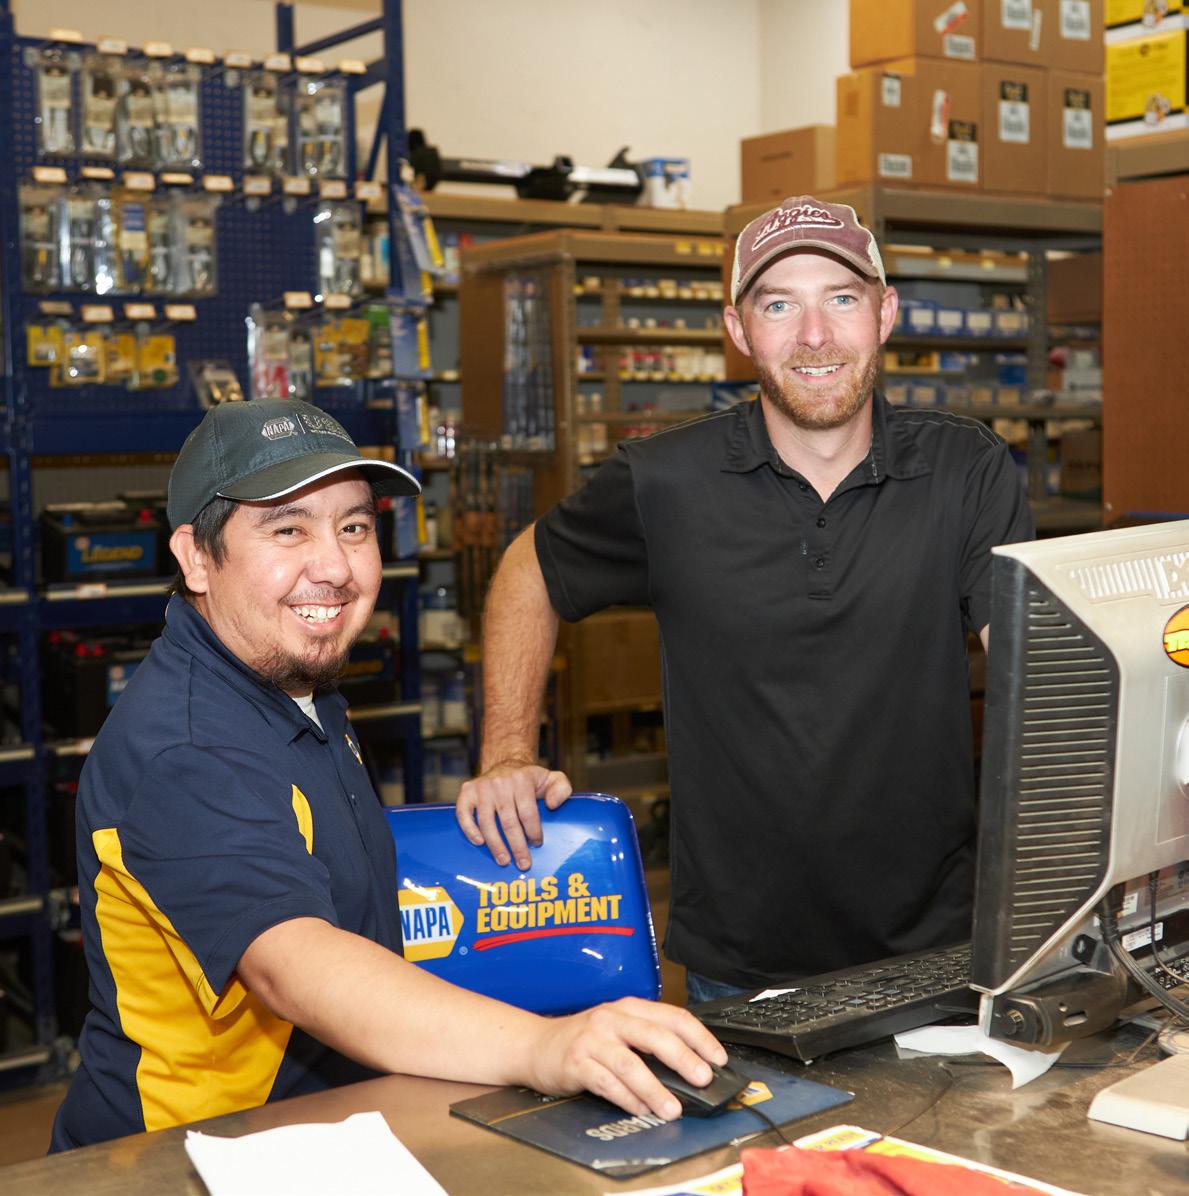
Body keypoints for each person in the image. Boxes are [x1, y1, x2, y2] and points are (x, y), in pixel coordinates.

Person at [50, 399, 726, 1151]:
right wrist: (545, 1046)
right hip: (187, 1156)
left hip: (315, 1129)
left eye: (354, 527)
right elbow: (295, 965)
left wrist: (486, 817)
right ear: (196, 558)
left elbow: (328, 874)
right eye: (287, 530)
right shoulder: (186, 750)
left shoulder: (291, 686)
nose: (335, 567)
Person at [457, 196, 1034, 1003]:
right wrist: (507, 753)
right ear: (737, 330)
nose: (814, 335)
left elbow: (1028, 667)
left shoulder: (965, 469)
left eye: (841, 298)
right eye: (778, 305)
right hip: (738, 965)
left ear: (884, 314)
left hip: (936, 948)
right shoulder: (666, 481)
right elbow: (529, 568)